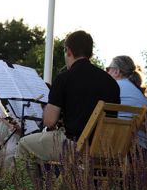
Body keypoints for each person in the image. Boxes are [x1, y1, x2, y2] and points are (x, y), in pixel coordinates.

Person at [16, 30, 120, 165]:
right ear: (91, 54)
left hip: (75, 146)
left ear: (68, 51)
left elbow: (49, 122)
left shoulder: (64, 78)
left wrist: (48, 106)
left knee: (24, 145)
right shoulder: (111, 82)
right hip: (104, 148)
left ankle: (34, 186)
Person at [106, 55, 147, 148]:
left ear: (116, 71)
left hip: (124, 147)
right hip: (146, 148)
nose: (106, 73)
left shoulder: (114, 87)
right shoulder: (140, 93)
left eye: (108, 69)